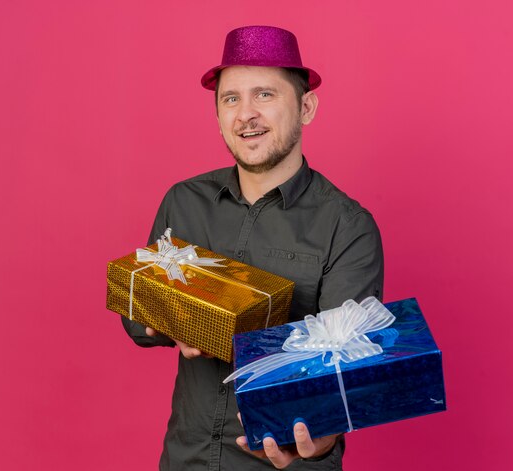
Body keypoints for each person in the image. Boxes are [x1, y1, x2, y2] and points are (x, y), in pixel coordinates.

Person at [122, 25, 384, 470]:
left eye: (264, 95)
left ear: (306, 107)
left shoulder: (348, 227)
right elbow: (134, 317)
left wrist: (319, 441)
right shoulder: (183, 202)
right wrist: (174, 322)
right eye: (231, 99)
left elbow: (345, 376)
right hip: (185, 458)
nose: (246, 114)